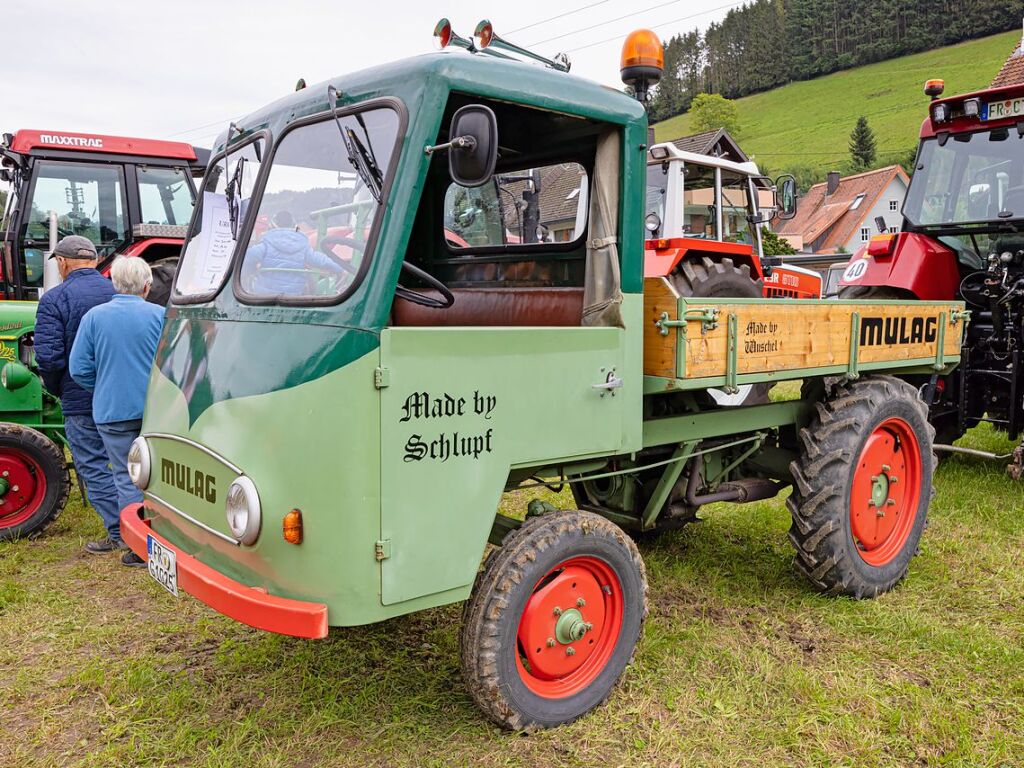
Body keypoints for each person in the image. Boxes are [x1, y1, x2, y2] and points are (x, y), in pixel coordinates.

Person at [70, 257, 165, 568]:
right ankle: (168, 537)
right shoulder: (161, 316)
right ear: (148, 286)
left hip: (113, 411)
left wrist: (104, 387)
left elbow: (79, 369)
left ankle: (137, 546)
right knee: (161, 475)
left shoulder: (94, 318)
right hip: (157, 411)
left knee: (127, 475)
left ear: (114, 283)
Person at [34, 236, 119, 553]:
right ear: (95, 261)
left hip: (80, 398)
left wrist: (56, 389)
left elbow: (50, 357)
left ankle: (119, 530)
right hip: (121, 398)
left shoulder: (55, 300)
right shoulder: (117, 293)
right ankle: (140, 526)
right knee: (125, 465)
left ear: (62, 262)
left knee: (93, 465)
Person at [244, 210, 345, 295]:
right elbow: (320, 260)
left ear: (272, 225)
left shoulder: (266, 244)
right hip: (294, 294)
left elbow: (247, 259)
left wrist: (249, 271)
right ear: (294, 226)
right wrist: (339, 269)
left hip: (264, 294)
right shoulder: (303, 245)